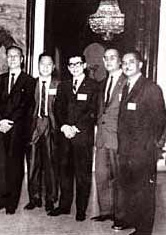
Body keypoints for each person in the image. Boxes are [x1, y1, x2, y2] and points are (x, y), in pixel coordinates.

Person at [113, 51, 166, 235]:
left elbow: (160, 122)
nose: (127, 65)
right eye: (124, 63)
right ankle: (134, 222)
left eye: (131, 62)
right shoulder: (126, 86)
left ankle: (144, 231)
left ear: (141, 65)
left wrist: (152, 148)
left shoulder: (151, 88)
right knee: (130, 190)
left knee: (144, 193)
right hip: (127, 151)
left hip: (143, 152)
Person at [50, 54, 98, 221]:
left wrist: (76, 128)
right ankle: (64, 206)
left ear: (84, 65)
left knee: (82, 175)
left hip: (82, 137)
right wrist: (64, 126)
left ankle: (81, 209)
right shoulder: (63, 86)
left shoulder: (93, 86)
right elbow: (57, 108)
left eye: (78, 64)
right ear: (68, 67)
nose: (74, 67)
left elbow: (93, 111)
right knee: (64, 173)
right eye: (71, 64)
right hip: (64, 136)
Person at [0, 45, 35, 215]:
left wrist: (10, 121)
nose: (12, 59)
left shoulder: (29, 81)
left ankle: (12, 203)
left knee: (15, 167)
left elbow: (25, 106)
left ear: (22, 59)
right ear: (6, 59)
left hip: (17, 129)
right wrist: (0, 120)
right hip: (0, 128)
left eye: (16, 56)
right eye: (9, 56)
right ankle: (1, 200)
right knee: (0, 165)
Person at [92, 48, 126, 222]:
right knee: (101, 175)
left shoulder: (127, 82)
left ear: (120, 61)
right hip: (102, 138)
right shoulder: (102, 83)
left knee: (119, 178)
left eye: (113, 58)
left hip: (118, 137)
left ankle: (121, 216)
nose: (109, 61)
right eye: (106, 58)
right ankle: (106, 211)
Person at [24, 53, 59, 212]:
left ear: (53, 67)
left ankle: (50, 199)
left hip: (51, 129)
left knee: (51, 165)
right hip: (33, 128)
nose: (45, 67)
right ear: (38, 66)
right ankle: (34, 198)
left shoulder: (59, 85)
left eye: (48, 64)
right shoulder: (31, 84)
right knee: (32, 165)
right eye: (42, 64)